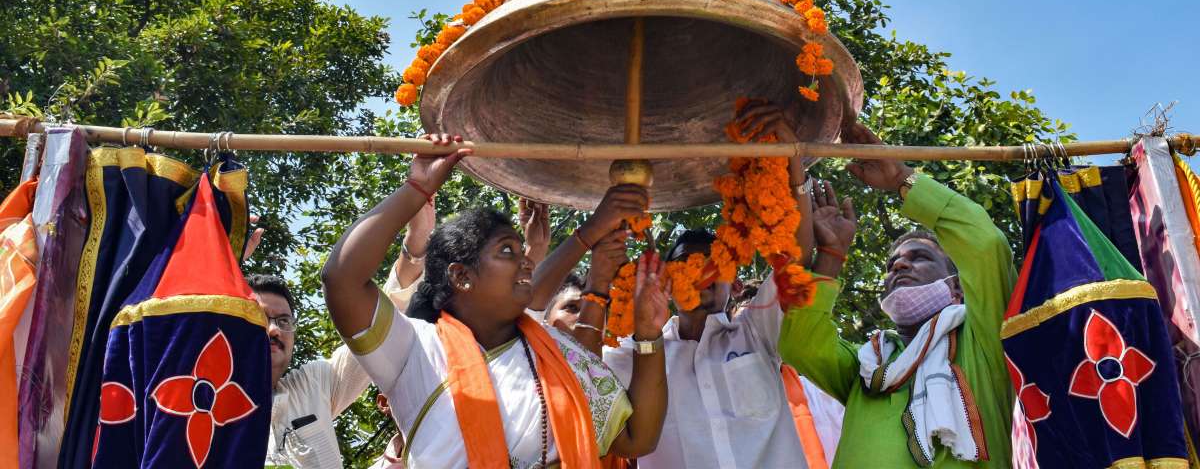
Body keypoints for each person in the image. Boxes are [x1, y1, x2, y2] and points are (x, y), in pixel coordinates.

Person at [320, 133, 670, 467]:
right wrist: (417, 188)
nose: (527, 261)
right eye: (507, 251)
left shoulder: (558, 352)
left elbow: (637, 438)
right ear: (462, 276)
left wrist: (649, 334)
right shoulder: (415, 349)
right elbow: (342, 279)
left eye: (522, 250)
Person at [548, 101, 843, 469]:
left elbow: (794, 258)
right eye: (685, 265)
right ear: (666, 281)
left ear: (734, 283)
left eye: (712, 264)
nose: (699, 274)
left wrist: (790, 156)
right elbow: (575, 370)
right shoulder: (635, 354)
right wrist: (597, 271)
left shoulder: (756, 333)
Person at [779, 121, 1016, 468]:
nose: (899, 267)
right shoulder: (869, 365)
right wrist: (830, 257)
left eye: (919, 258)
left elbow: (986, 245)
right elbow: (799, 344)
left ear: (956, 287)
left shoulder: (983, 340)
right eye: (892, 265)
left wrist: (902, 179)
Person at [252, 189, 433, 468]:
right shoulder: (200, 397)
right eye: (261, 319)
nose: (274, 330)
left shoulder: (313, 384)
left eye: (284, 321)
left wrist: (417, 239)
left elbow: (375, 322)